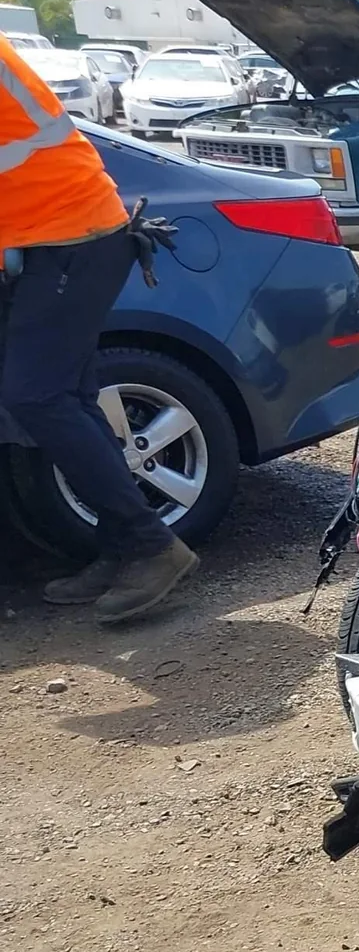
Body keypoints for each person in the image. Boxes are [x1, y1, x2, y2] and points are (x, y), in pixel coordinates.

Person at [1, 33, 196, 625]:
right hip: (60, 236)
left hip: (69, 237)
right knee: (73, 399)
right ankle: (123, 548)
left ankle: (152, 546)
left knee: (35, 396)